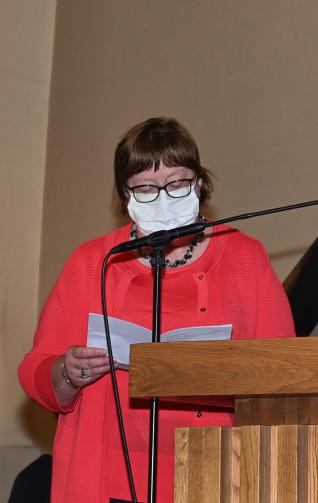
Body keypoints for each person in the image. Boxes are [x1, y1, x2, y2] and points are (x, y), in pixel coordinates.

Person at [19, 117, 296, 503]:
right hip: (106, 475)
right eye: (146, 188)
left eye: (177, 183)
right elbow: (35, 370)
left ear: (199, 183)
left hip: (216, 475)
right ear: (125, 194)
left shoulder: (244, 257)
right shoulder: (92, 261)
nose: (163, 197)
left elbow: (286, 372)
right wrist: (67, 372)